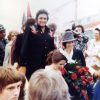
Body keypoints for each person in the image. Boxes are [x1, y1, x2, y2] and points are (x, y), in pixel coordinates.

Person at [17, 9, 55, 80]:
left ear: (47, 20)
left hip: (46, 66)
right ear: (37, 19)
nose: (42, 20)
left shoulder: (49, 31)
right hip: (32, 65)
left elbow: (52, 48)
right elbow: (24, 47)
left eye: (45, 18)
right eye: (40, 18)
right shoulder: (31, 29)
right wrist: (22, 64)